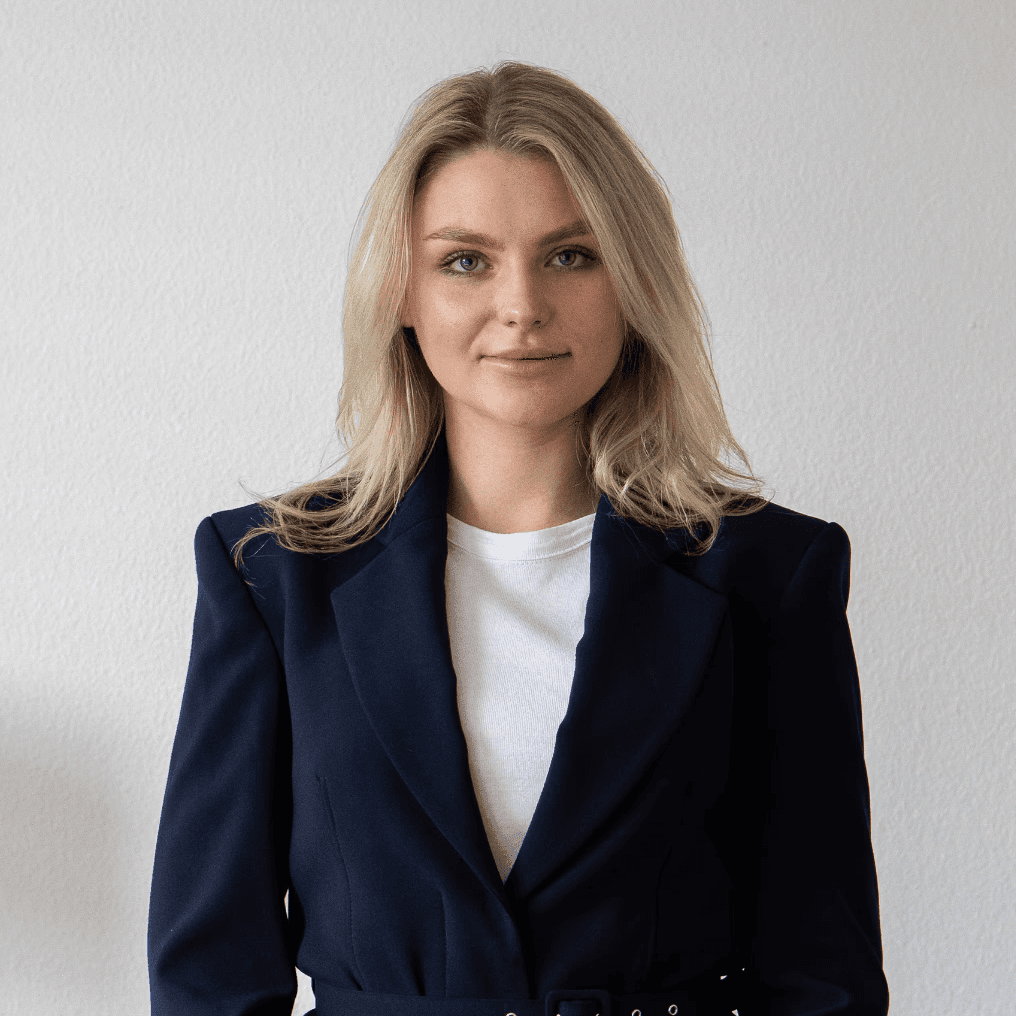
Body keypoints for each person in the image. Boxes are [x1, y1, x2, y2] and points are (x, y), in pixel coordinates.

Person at [148, 61, 889, 1016]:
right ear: (401, 293)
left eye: (572, 255)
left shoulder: (770, 575)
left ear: (634, 283)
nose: (522, 305)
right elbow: (211, 974)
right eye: (466, 260)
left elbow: (821, 972)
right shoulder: (273, 577)